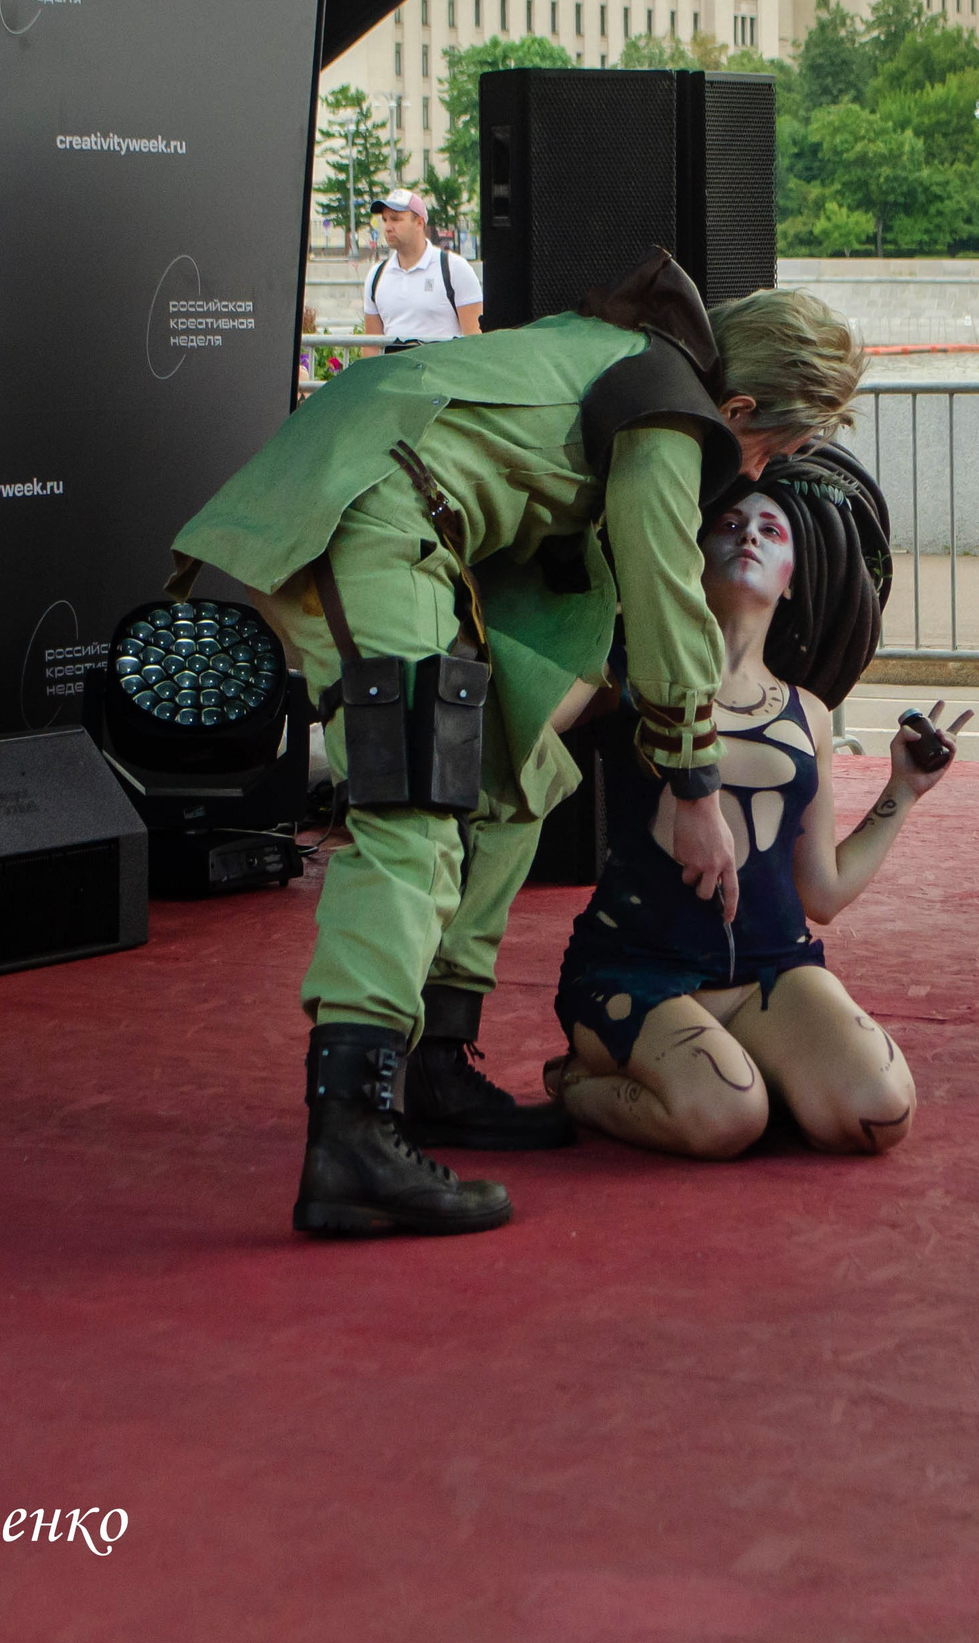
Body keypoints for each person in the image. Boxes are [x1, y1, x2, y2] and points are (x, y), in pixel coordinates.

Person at [171, 254, 865, 1234]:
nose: (751, 474)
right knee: (411, 810)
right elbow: (666, 590)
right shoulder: (669, 411)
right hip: (369, 513)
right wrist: (694, 784)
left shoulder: (625, 353)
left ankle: (433, 1063)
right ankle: (351, 1135)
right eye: (766, 451)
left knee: (511, 774)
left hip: (404, 515)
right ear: (739, 406)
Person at [549, 458, 964, 1159]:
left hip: (773, 971)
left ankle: (741, 1067)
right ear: (690, 553)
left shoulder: (811, 714)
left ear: (793, 578)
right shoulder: (630, 674)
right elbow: (535, 722)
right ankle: (575, 1083)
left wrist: (904, 789)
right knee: (726, 1119)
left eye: (772, 530)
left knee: (879, 1113)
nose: (749, 536)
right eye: (729, 524)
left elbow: (822, 894)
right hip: (637, 969)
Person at [361, 190, 483, 349]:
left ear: (419, 223)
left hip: (441, 364)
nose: (388, 227)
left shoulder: (454, 268)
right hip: (395, 364)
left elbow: (474, 339)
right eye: (385, 220)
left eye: (396, 219)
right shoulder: (376, 276)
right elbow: (371, 345)